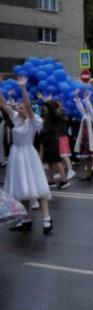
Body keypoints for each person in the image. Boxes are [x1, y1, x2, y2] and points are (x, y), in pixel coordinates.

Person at [1, 77, 53, 233]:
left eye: (22, 108)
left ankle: (46, 218)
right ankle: (26, 219)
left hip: (28, 154)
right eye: (19, 108)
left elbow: (29, 106)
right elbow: (2, 103)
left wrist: (23, 88)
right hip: (16, 155)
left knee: (37, 188)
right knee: (22, 189)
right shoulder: (16, 119)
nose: (19, 109)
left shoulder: (32, 120)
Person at [73, 89, 93, 181]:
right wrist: (77, 96)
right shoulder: (84, 115)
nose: (86, 108)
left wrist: (87, 98)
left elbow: (89, 107)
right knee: (88, 158)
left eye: (87, 106)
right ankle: (88, 175)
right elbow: (79, 106)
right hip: (85, 139)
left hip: (92, 138)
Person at [39, 99, 69, 189]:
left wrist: (46, 100)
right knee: (50, 161)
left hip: (53, 140)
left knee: (56, 160)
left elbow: (52, 111)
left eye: (47, 106)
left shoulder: (55, 115)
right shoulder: (46, 115)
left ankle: (64, 180)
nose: (44, 108)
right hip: (47, 140)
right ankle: (51, 180)